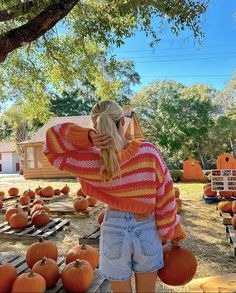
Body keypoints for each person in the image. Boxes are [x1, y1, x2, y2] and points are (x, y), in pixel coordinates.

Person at [43, 100, 186, 293]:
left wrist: (86, 137)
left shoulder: (88, 161)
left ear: (96, 126)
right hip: (146, 228)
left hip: (113, 230)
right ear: (123, 123)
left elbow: (52, 145)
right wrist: (171, 230)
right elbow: (166, 195)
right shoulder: (148, 152)